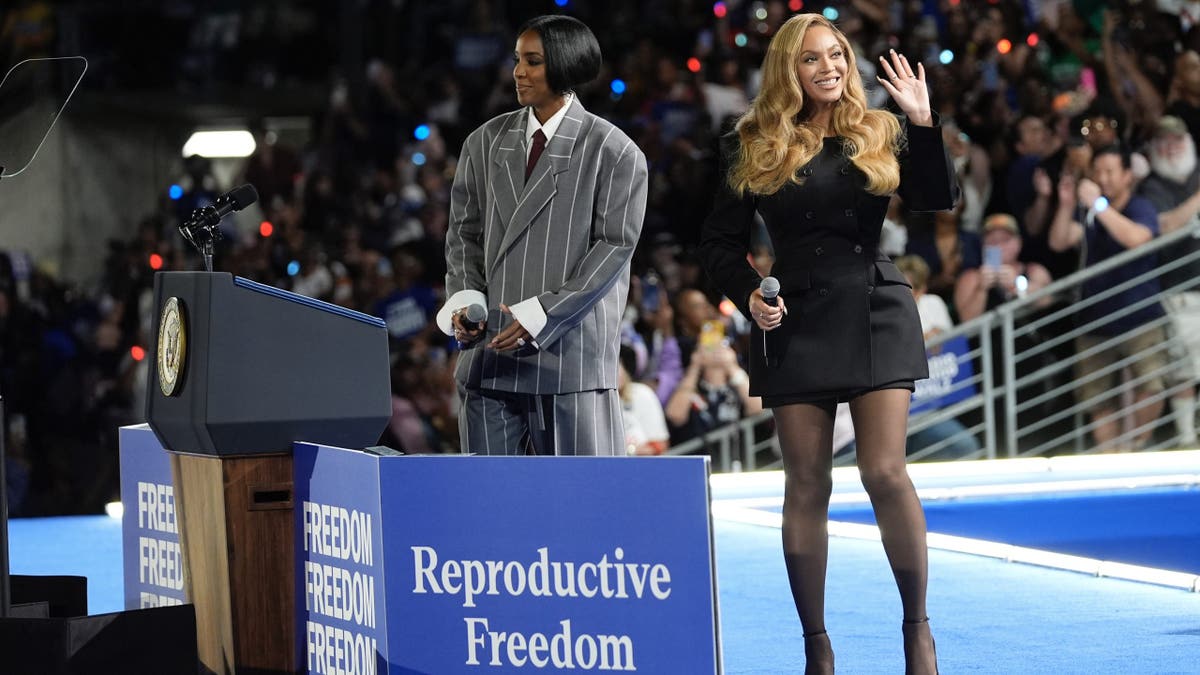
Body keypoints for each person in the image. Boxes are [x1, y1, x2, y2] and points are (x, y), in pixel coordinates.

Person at [698, 13, 954, 674]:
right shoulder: (750, 142)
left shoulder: (880, 128)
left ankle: (918, 632)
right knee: (807, 483)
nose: (829, 67)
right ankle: (816, 646)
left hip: (875, 306)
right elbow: (718, 245)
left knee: (884, 471)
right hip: (794, 318)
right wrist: (750, 296)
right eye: (812, 58)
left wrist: (923, 123)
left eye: (836, 54)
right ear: (789, 70)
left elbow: (935, 200)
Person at [436, 15, 649, 455]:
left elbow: (613, 249)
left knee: (580, 497)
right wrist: (465, 300)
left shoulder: (614, 151)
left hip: (572, 362)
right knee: (491, 497)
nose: (518, 72)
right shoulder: (483, 142)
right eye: (518, 60)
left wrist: (544, 314)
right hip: (490, 358)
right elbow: (463, 235)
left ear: (566, 66)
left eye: (533, 62)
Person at [1049, 144, 1167, 451]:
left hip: (1140, 316)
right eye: (1097, 171)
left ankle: (1138, 448)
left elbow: (1137, 238)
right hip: (1095, 319)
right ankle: (1110, 456)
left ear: (1127, 175)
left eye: (1110, 171)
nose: (1102, 178)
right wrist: (1066, 205)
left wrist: (1099, 205)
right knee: (1096, 399)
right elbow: (1059, 241)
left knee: (1152, 385)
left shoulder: (1140, 206)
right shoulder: (1090, 211)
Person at [1136, 115, 1200, 446]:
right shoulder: (1153, 187)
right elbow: (1165, 226)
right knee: (1184, 370)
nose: (1171, 147)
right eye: (1163, 142)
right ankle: (1187, 438)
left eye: (1177, 140)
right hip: (1180, 291)